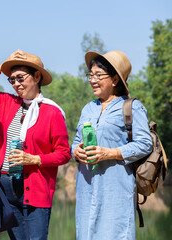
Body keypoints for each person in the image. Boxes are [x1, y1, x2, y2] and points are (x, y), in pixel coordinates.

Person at [0, 49, 71, 240]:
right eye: (11, 80)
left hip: (35, 190)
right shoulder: (7, 103)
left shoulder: (52, 112)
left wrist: (34, 159)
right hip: (6, 191)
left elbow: (64, 154)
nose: (16, 84)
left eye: (20, 78)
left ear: (37, 76)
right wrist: (1, 66)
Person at [71, 50, 153, 240]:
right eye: (90, 75)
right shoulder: (88, 108)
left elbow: (145, 144)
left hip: (116, 190)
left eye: (98, 75)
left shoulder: (131, 107)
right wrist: (76, 151)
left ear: (115, 79)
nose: (92, 80)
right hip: (86, 189)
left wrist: (111, 153)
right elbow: (75, 142)